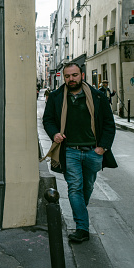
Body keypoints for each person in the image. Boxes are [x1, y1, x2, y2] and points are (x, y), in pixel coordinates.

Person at [42, 62, 117, 243]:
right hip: (70, 152)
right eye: (67, 76)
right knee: (74, 188)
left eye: (74, 75)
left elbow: (109, 124)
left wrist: (102, 148)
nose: (71, 79)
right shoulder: (56, 97)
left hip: (93, 152)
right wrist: (54, 133)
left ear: (82, 75)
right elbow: (48, 120)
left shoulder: (98, 97)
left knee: (87, 188)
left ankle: (80, 212)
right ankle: (82, 228)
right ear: (64, 77)